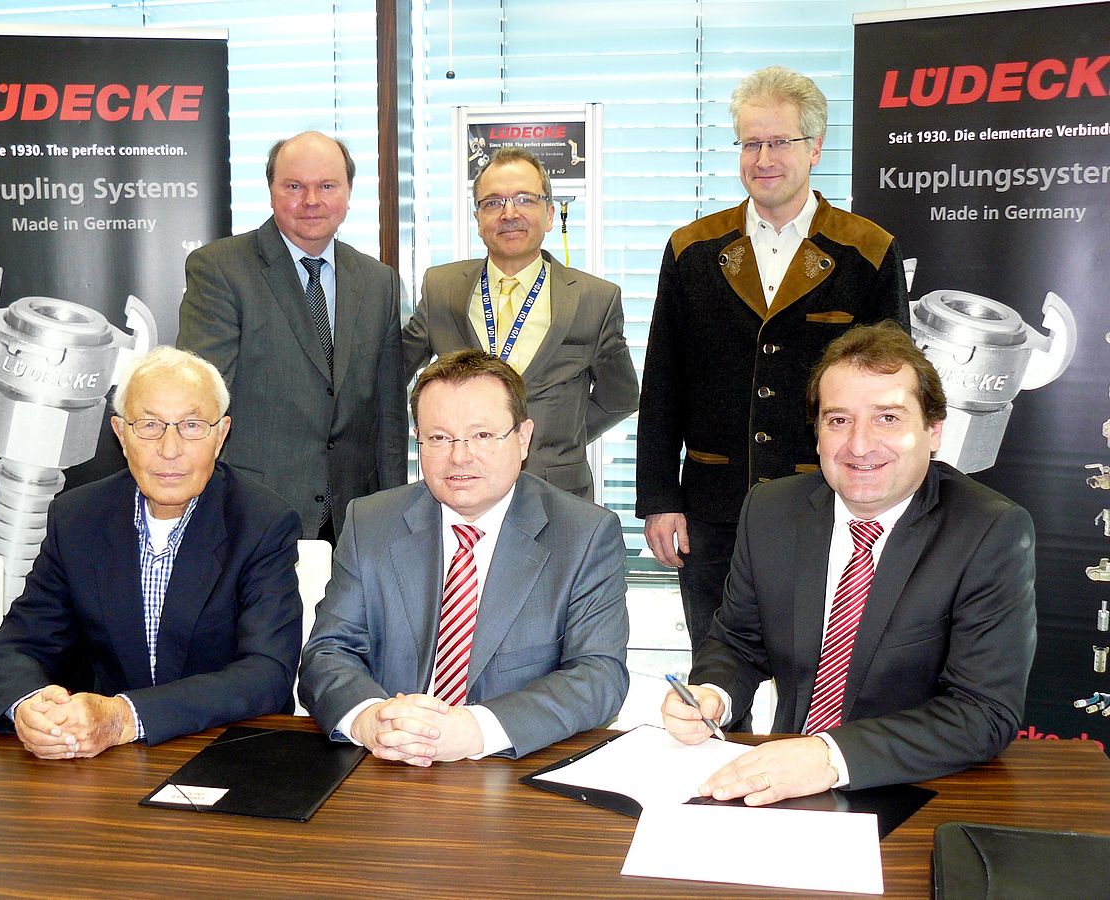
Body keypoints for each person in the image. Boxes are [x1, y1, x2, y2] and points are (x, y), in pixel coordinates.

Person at [661, 322, 1036, 803]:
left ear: (933, 430)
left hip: (919, 788)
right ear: (817, 434)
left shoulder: (989, 531)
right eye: (838, 420)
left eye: (888, 418)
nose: (859, 445)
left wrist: (829, 756)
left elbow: (984, 711)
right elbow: (738, 640)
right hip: (788, 782)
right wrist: (713, 694)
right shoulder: (771, 510)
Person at [636, 66, 910, 652]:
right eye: (750, 143)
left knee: (819, 670)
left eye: (779, 142)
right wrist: (660, 500)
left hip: (828, 502)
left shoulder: (867, 250)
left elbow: (895, 393)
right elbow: (662, 384)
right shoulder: (692, 249)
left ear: (815, 147)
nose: (762, 159)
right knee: (715, 670)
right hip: (712, 509)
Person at [299, 349, 629, 764]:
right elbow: (327, 653)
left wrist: (475, 729)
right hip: (388, 763)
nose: (459, 456)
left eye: (483, 435)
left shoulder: (584, 535)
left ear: (523, 438)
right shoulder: (370, 522)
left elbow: (598, 675)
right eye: (439, 438)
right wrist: (370, 719)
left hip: (511, 768)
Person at [0, 346, 302, 758]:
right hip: (103, 760)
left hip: (228, 751)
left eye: (191, 426)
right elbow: (16, 649)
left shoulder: (262, 523)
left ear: (220, 435)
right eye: (149, 425)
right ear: (121, 434)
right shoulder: (77, 519)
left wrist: (125, 717)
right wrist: (30, 706)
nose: (170, 448)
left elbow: (267, 674)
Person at [178, 130, 407, 543]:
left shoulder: (379, 282)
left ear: (349, 193)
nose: (312, 200)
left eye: (327, 186)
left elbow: (389, 417)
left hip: (354, 517)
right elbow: (199, 400)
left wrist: (392, 512)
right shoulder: (220, 270)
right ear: (271, 192)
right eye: (294, 186)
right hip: (251, 512)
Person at [403, 147, 638, 500]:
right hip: (461, 486)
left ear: (549, 214)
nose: (509, 214)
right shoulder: (441, 288)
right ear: (478, 219)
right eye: (493, 203)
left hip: (556, 491)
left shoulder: (594, 299)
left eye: (525, 199)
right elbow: (392, 373)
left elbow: (620, 397)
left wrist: (559, 437)